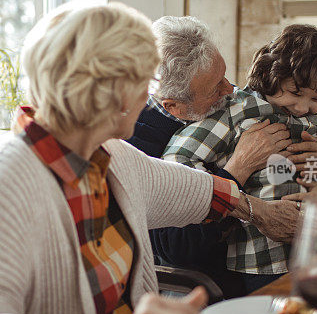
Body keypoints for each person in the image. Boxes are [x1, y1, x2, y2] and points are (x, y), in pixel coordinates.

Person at [0, 2, 300, 314]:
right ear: (108, 93)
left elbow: (194, 191)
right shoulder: (2, 181)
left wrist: (254, 209)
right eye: (143, 80)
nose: (151, 96)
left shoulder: (111, 157)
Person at [163, 24, 317, 291]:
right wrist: (240, 193)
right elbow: (178, 162)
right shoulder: (237, 111)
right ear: (272, 75)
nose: (303, 108)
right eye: (294, 93)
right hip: (262, 257)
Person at [128, 16, 299, 296]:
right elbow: (176, 250)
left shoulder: (224, 104)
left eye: (224, 75)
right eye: (215, 88)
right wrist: (239, 168)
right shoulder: (138, 146)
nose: (230, 89)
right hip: (213, 286)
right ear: (174, 107)